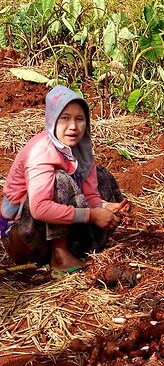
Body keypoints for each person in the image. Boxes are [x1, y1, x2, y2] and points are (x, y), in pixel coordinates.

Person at [0, 85, 128, 272]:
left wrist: (105, 207)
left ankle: (78, 248)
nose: (73, 127)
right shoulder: (42, 152)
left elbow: (90, 196)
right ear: (52, 120)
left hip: (44, 231)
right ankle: (59, 256)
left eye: (79, 119)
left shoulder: (80, 150)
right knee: (60, 179)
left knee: (102, 175)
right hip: (22, 237)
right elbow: (39, 209)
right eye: (64, 119)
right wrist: (92, 215)